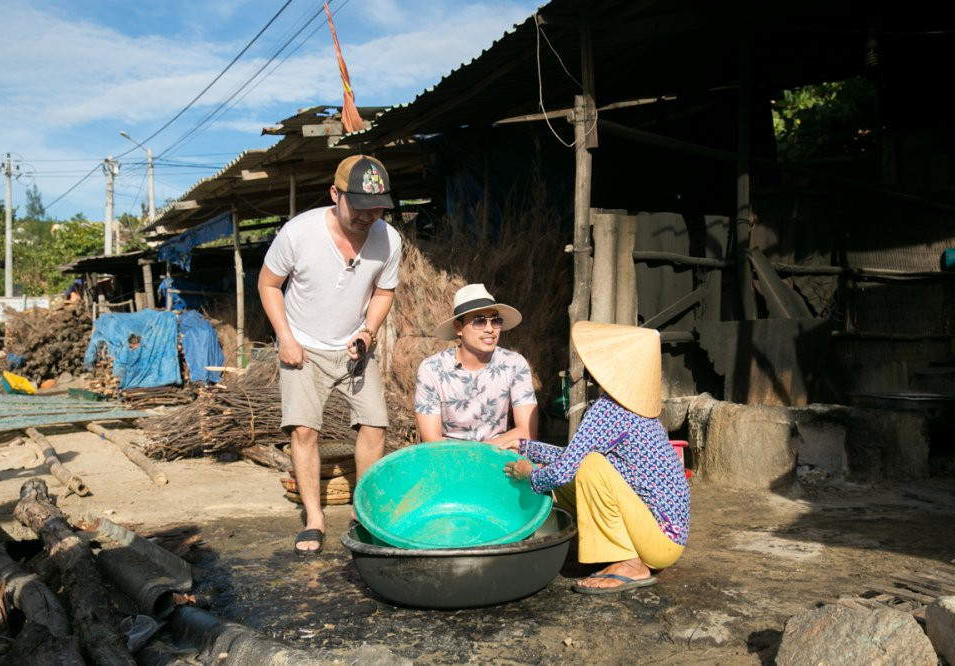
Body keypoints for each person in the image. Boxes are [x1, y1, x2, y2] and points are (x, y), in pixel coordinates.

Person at [258, 154, 401, 557]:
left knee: (374, 425)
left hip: (355, 346)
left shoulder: (388, 239)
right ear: (335, 194)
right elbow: (269, 284)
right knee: (304, 430)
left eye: (377, 207)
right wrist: (285, 336)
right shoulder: (298, 233)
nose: (368, 216)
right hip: (302, 344)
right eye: (359, 205)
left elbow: (384, 291)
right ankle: (315, 519)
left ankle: (364, 513)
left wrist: (368, 331)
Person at [504, 321, 689, 594]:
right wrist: (526, 447)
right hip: (667, 539)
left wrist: (529, 474)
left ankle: (629, 563)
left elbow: (563, 471)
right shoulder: (634, 408)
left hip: (658, 539)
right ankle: (623, 553)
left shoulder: (608, 410)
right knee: (586, 465)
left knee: (588, 468)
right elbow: (574, 456)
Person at [414, 283, 538, 446]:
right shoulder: (432, 369)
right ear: (459, 327)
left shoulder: (514, 364)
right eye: (479, 321)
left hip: (497, 452)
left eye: (495, 321)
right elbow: (432, 439)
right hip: (448, 456)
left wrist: (483, 451)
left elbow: (527, 431)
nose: (489, 329)